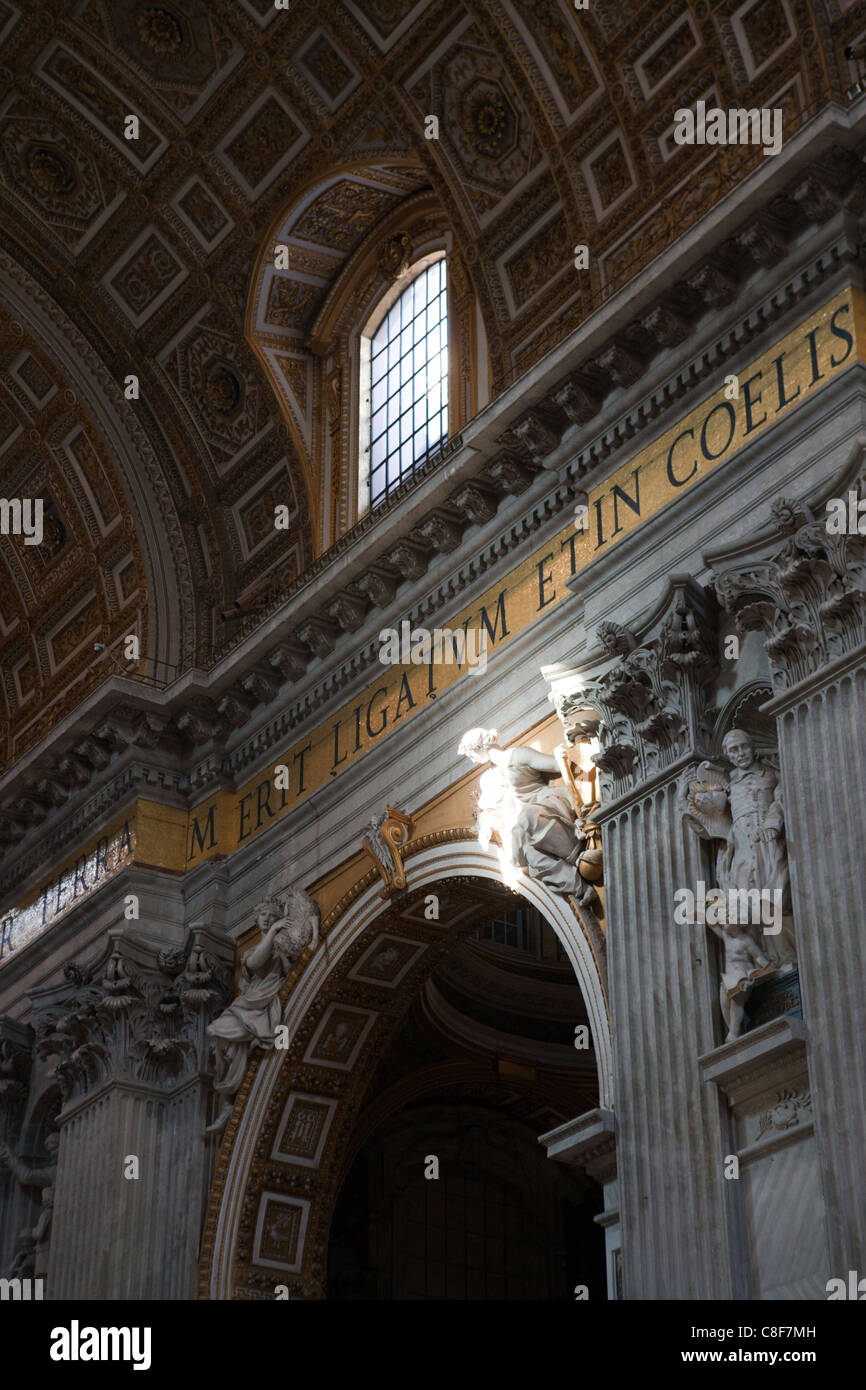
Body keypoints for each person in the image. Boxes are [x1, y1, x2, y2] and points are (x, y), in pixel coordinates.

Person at [458, 727, 596, 899]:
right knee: (530, 854)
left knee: (525, 816)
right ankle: (580, 887)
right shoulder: (488, 779)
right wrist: (485, 824)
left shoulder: (519, 755)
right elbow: (489, 809)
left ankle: (576, 856)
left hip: (548, 803)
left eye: (471, 755)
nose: (472, 760)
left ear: (479, 748)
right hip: (527, 822)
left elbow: (557, 765)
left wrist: (560, 756)